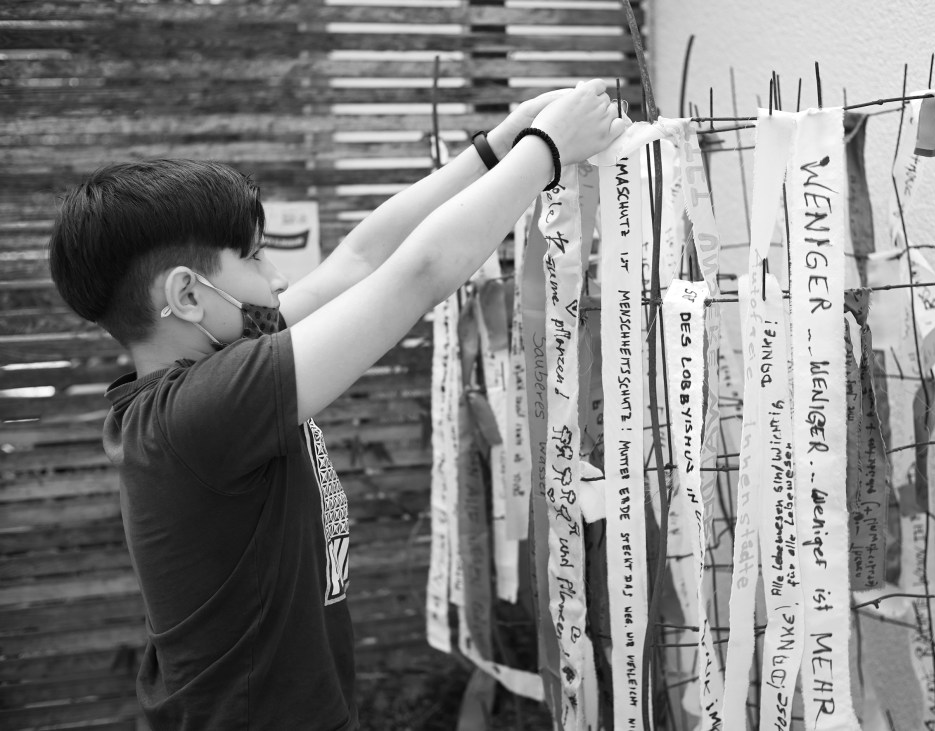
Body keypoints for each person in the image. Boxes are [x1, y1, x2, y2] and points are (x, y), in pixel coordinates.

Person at [47, 79, 627, 730]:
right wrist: (546, 151)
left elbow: (360, 257)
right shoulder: (201, 411)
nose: (277, 278)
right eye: (253, 257)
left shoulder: (203, 379)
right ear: (187, 295)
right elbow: (418, 274)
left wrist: (497, 146)